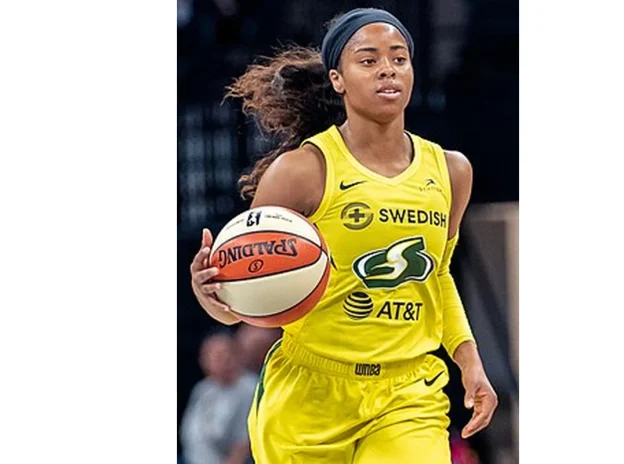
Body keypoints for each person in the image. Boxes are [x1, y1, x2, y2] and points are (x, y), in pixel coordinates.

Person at [189, 7, 498, 463]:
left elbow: (439, 275)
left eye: (399, 58)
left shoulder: (451, 170)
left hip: (407, 394)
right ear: (338, 79)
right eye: (368, 60)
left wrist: (469, 361)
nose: (387, 69)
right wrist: (214, 296)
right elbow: (246, 296)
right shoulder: (302, 170)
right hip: (310, 392)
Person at [180, 328, 258, 464]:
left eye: (224, 354)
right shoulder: (203, 388)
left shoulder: (250, 388)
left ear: (238, 355)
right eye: (212, 355)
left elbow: (244, 444)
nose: (221, 360)